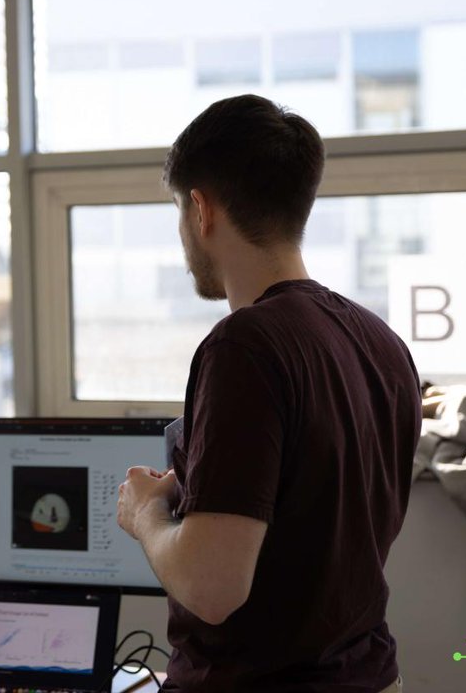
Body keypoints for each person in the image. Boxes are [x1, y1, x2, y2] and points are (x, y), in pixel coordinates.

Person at [116, 95, 421, 692]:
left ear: (201, 210)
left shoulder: (244, 347)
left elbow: (212, 588)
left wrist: (146, 515)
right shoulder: (380, 340)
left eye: (180, 211)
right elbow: (315, 511)